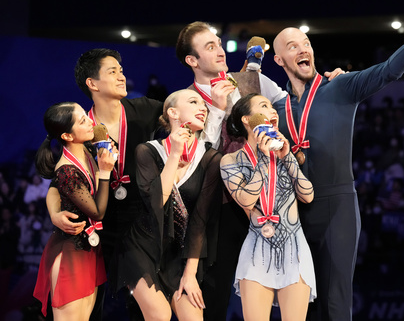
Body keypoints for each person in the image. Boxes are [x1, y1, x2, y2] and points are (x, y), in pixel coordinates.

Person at [271, 0, 404, 321]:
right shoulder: (276, 108)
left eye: (306, 43)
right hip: (294, 212)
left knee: (335, 302)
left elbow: (387, 72)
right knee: (302, 307)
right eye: (292, 46)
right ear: (279, 59)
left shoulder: (340, 85)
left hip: (337, 207)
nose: (303, 49)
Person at [175, 21, 344, 321]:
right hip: (221, 211)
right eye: (210, 47)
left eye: (218, 42)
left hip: (275, 207)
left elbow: (294, 102)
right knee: (215, 299)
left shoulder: (251, 81)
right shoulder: (185, 100)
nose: (219, 50)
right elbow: (194, 161)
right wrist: (214, 110)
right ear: (192, 60)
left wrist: (329, 86)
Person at [117, 89, 222, 320]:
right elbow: (156, 202)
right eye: (194, 101)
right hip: (143, 246)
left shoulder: (211, 158)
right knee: (160, 316)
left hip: (181, 252)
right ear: (172, 112)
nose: (202, 108)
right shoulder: (147, 150)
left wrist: (190, 273)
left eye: (204, 105)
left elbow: (200, 220)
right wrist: (174, 154)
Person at [220, 93, 316, 321]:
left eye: (273, 107)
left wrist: (287, 156)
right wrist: (264, 158)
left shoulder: (286, 154)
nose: (273, 111)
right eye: (264, 106)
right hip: (256, 249)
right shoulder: (231, 161)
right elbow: (245, 200)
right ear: (247, 120)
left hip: (294, 247)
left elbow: (308, 196)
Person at [33, 102, 117, 320]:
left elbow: (53, 188)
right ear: (67, 136)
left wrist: (53, 213)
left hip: (89, 251)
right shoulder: (67, 171)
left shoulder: (88, 149)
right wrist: (105, 171)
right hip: (71, 253)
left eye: (85, 116)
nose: (91, 121)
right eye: (82, 121)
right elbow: (97, 213)